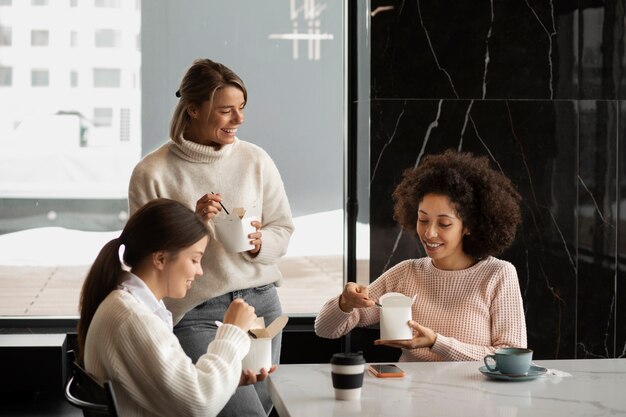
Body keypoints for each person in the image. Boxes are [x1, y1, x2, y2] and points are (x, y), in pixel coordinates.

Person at [128, 58, 294, 416]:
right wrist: (192, 222)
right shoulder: (152, 172)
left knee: (262, 409)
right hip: (196, 311)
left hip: (261, 306)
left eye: (241, 108)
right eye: (225, 111)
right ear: (193, 109)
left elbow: (282, 229)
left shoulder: (256, 160)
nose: (239, 119)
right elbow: (144, 256)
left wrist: (258, 244)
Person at [315, 150, 527, 361]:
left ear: (468, 226)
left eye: (444, 223)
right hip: (409, 392)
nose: (429, 233)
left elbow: (511, 356)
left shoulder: (498, 274)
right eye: (423, 220)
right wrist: (346, 302)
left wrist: (437, 342)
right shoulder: (406, 273)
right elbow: (325, 329)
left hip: (476, 394)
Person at [78, 198, 270, 417]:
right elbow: (198, 405)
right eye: (195, 260)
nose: (200, 272)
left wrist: (227, 377)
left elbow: (181, 391)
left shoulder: (130, 306)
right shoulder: (132, 319)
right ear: (160, 258)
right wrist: (233, 331)